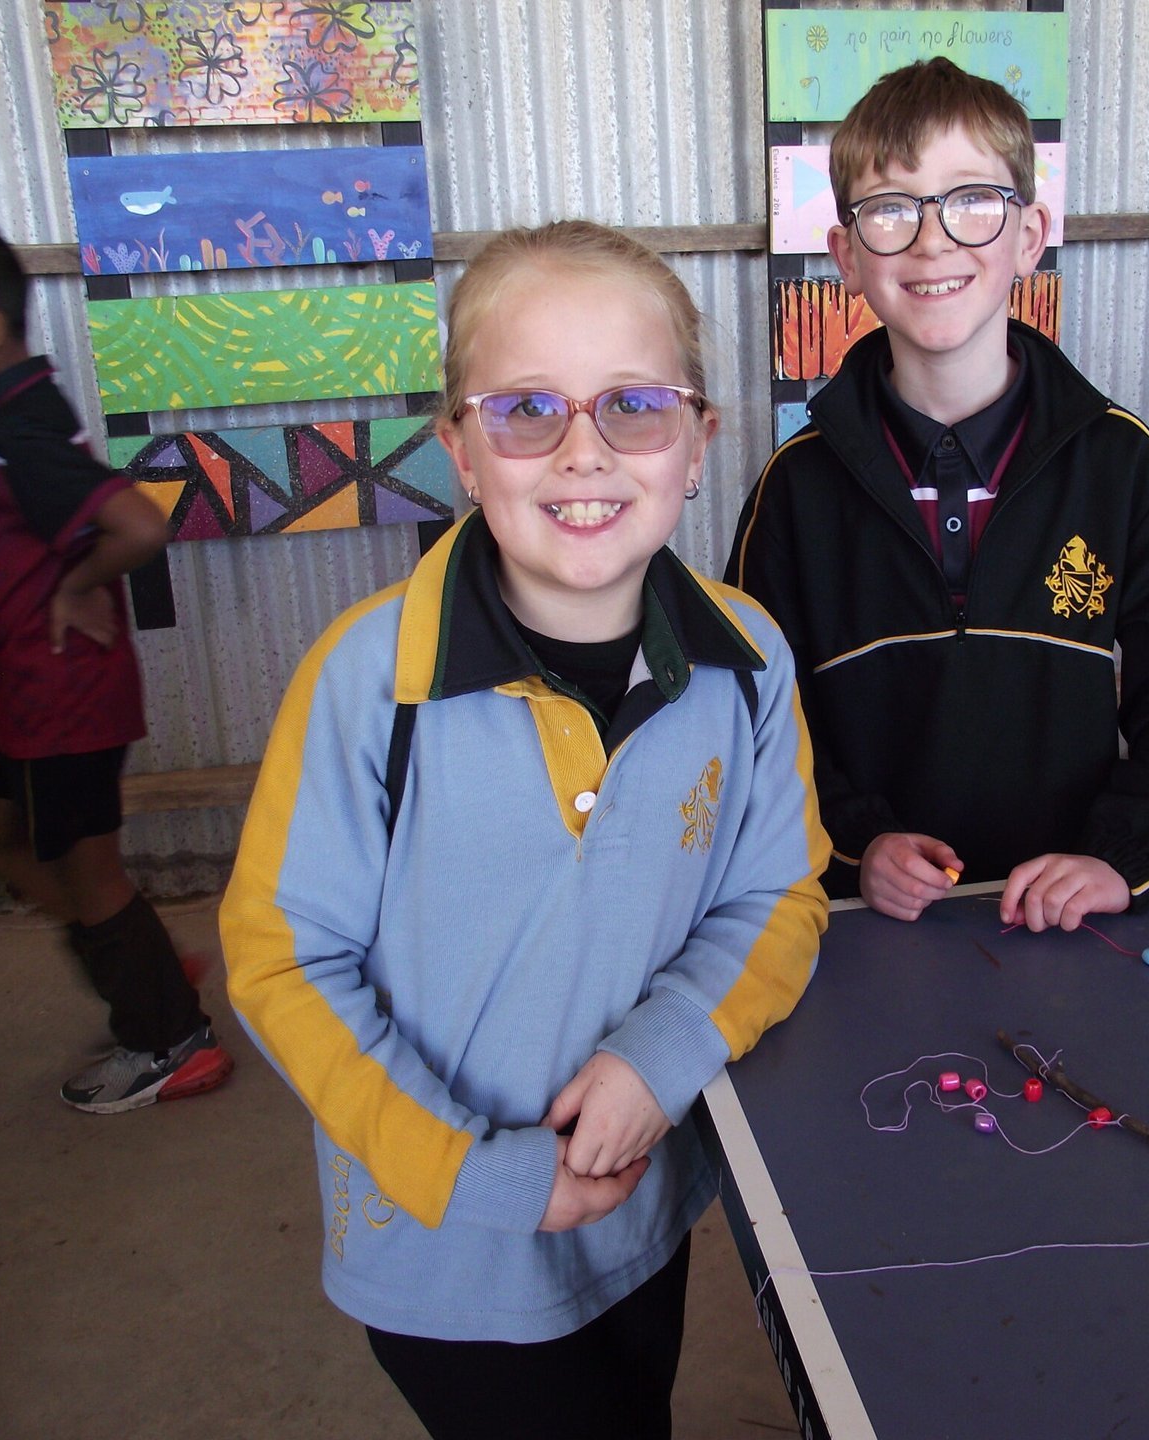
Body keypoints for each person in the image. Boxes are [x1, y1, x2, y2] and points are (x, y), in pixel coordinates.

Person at [219, 220, 829, 1439]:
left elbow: (779, 898)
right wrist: (475, 1169)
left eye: (635, 406)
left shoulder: (749, 659)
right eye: (527, 411)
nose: (583, 452)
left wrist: (659, 1056)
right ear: (460, 448)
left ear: (700, 444)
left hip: (644, 1204)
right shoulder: (364, 683)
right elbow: (282, 960)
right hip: (446, 1251)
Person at [728, 58, 1149, 932]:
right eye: (890, 209)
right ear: (846, 256)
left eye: (972, 201)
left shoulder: (1121, 465)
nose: (932, 242)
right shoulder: (796, 490)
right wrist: (855, 844)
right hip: (871, 929)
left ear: (1030, 234)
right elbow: (754, 713)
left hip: (1074, 925)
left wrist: (1123, 856)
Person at [0, 212, 231, 1113]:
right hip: (23, 697)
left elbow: (137, 525)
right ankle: (137, 962)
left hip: (63, 698)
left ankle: (171, 1040)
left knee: (88, 872)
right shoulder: (4, 411)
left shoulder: (21, 427)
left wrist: (77, 585)